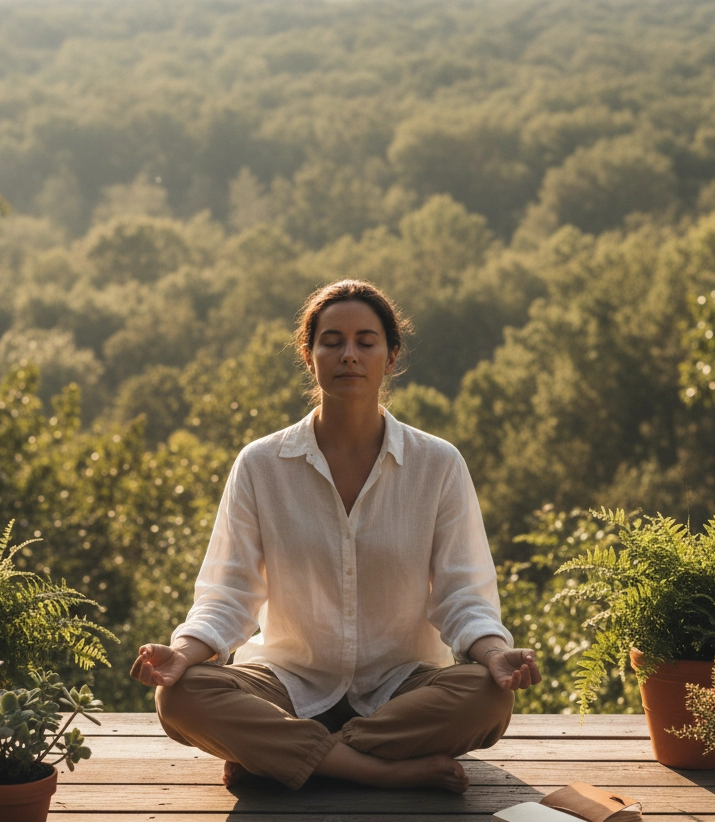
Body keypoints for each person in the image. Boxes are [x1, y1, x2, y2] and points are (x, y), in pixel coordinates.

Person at [130, 279, 541, 793]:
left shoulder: (438, 464)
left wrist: (493, 652)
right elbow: (227, 594)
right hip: (284, 682)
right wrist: (184, 653)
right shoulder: (261, 465)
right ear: (309, 355)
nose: (349, 354)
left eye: (366, 342)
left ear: (391, 357)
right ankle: (376, 770)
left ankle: (284, 755)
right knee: (180, 695)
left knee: (488, 694)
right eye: (332, 341)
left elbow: (463, 594)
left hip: (403, 686)